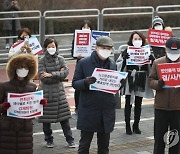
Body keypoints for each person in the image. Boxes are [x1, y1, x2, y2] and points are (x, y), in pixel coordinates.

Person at [72, 36, 121, 154]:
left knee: (104, 146)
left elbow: (113, 87)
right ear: (96, 47)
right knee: (84, 145)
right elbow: (75, 83)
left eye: (109, 48)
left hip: (106, 110)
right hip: (89, 109)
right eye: (103, 48)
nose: (106, 50)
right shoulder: (84, 63)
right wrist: (85, 82)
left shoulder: (112, 64)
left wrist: (120, 84)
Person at [0, 54, 47, 154]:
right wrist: (3, 107)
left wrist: (41, 103)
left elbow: (34, 106)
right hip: (7, 129)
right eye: (20, 67)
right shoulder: (4, 86)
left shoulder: (32, 87)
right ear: (14, 69)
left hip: (25, 129)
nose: (23, 70)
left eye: (25, 67)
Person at [38, 37, 76, 148]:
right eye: (49, 47)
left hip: (59, 94)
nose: (51, 48)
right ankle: (49, 139)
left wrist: (51, 74)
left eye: (53, 46)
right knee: (46, 120)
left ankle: (70, 140)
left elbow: (65, 73)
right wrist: (57, 75)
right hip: (46, 94)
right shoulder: (41, 60)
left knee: (65, 120)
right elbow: (43, 78)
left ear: (56, 47)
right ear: (45, 48)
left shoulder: (61, 59)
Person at [117, 31, 154, 135]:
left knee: (139, 102)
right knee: (128, 102)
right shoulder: (127, 50)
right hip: (130, 78)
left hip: (141, 78)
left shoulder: (146, 51)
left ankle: (136, 125)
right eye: (135, 39)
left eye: (139, 39)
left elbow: (152, 68)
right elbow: (119, 65)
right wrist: (124, 58)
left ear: (142, 40)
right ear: (131, 40)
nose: (137, 41)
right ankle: (127, 125)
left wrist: (152, 60)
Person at [149, 37, 180, 154]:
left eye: (176, 52)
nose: (174, 55)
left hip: (177, 108)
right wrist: (158, 84)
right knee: (159, 138)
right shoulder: (158, 62)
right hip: (161, 107)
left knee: (175, 140)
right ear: (166, 50)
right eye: (171, 52)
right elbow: (151, 80)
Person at [71, 19, 92, 114]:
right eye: (84, 27)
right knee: (79, 84)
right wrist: (77, 55)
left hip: (91, 63)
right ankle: (77, 106)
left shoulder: (94, 39)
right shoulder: (76, 38)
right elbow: (73, 53)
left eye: (88, 27)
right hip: (80, 63)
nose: (86, 29)